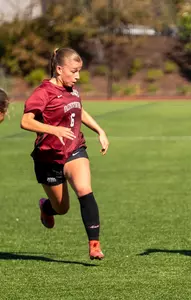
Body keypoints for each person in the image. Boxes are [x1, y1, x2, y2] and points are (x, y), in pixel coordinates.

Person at [20, 48, 109, 260]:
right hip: (48, 157)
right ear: (59, 69)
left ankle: (94, 245)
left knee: (85, 190)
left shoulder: (73, 89)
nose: (77, 76)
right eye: (74, 71)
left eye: (79, 71)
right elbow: (25, 121)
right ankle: (46, 208)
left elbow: (79, 109)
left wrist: (100, 130)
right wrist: (54, 130)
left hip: (74, 149)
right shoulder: (43, 92)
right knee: (61, 208)